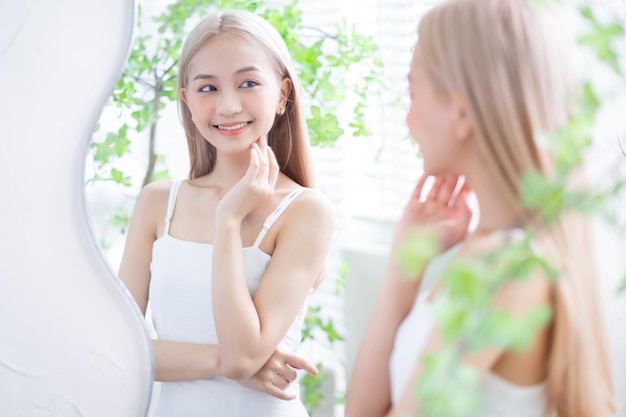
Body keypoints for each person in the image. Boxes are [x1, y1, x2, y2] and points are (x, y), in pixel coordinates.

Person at [346, 1, 615, 416]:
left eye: (412, 93)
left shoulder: (506, 268)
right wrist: (406, 265)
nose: (408, 119)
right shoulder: (489, 247)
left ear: (460, 111)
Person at [117, 9, 335, 417]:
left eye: (248, 83)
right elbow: (117, 348)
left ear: (283, 94)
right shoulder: (156, 203)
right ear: (187, 100)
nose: (229, 105)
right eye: (208, 88)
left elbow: (243, 357)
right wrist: (222, 361)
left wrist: (229, 219)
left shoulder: (306, 212)